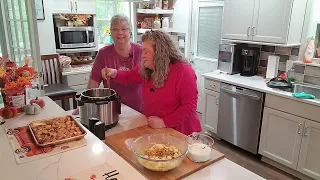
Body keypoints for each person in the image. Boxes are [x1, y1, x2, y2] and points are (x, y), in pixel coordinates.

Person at [102, 30, 201, 135]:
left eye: (146, 51)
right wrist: (114, 73)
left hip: (183, 132)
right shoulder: (148, 69)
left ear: (159, 52)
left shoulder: (183, 71)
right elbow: (129, 76)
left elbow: (189, 107)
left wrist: (164, 122)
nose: (142, 55)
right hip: (160, 129)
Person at [89, 14, 143, 113]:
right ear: (110, 32)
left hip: (140, 108)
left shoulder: (142, 51)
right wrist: (86, 103)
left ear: (130, 32)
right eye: (115, 29)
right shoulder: (103, 54)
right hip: (113, 108)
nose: (120, 32)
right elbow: (94, 82)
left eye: (124, 29)